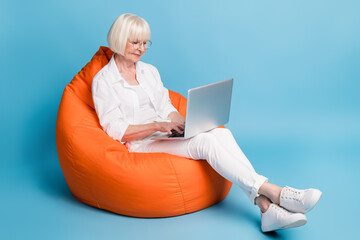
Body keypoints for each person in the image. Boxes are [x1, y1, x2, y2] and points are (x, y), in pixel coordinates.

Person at [92, 13, 322, 232]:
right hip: (141, 142)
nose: (141, 49)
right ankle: (277, 193)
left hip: (164, 133)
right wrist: (157, 126)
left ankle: (266, 208)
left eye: (145, 43)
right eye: (135, 43)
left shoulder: (149, 71)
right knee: (206, 144)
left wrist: (187, 122)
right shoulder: (104, 81)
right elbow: (116, 131)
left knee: (221, 134)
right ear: (120, 40)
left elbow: (166, 109)